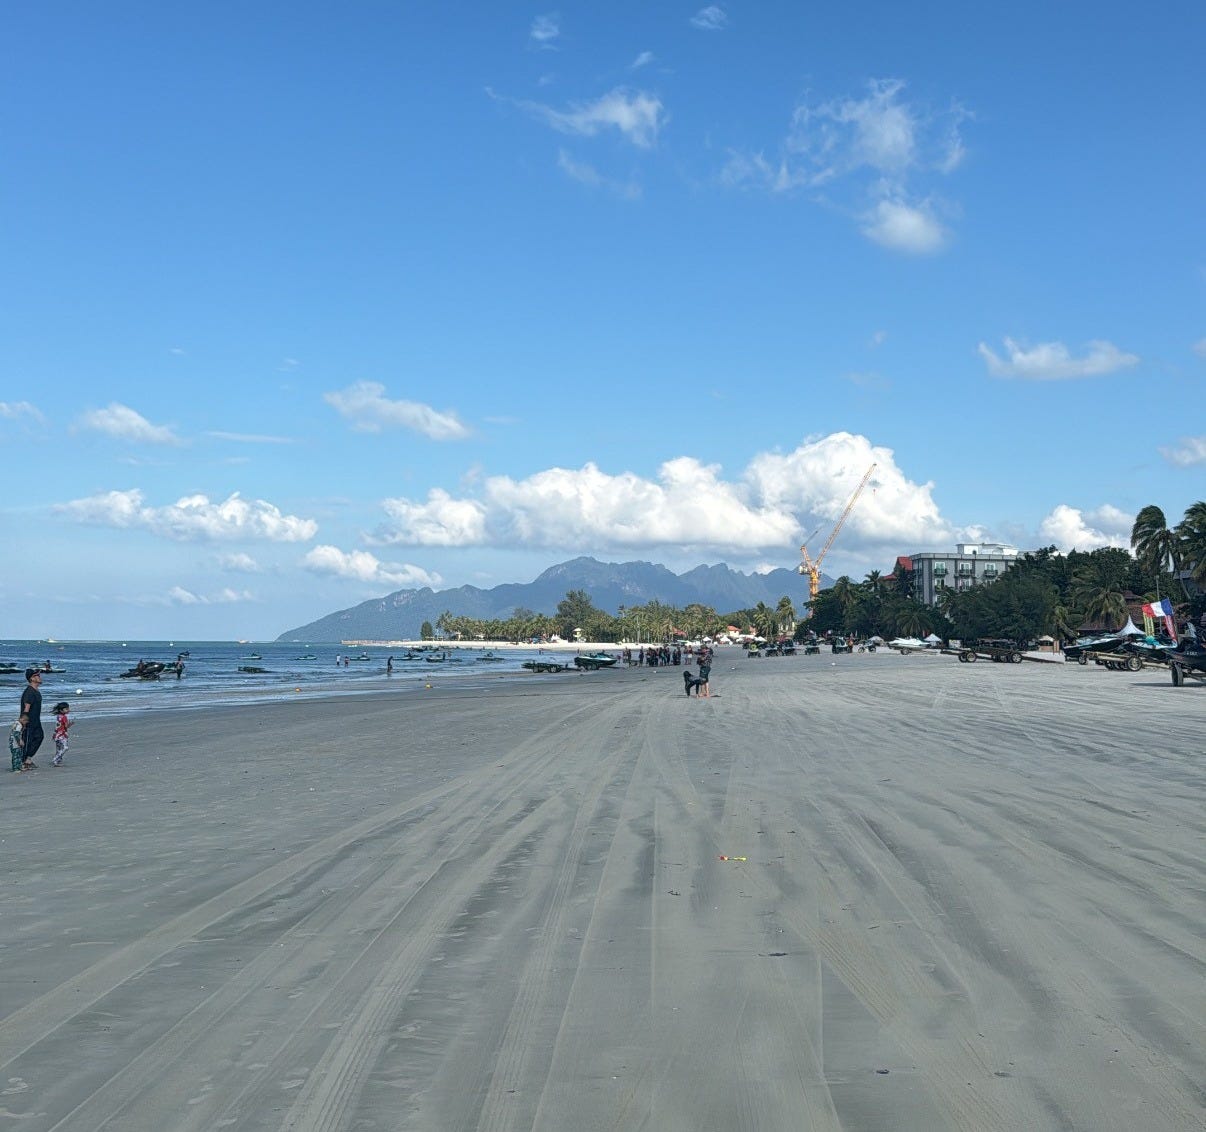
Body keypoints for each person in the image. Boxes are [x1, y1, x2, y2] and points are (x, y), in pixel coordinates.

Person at [19, 668, 44, 770]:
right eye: (37, 675)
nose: (39, 677)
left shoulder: (36, 691)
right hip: (28, 722)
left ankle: (27, 759)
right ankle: (23, 762)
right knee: (27, 741)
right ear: (32, 678)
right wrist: (23, 724)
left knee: (39, 737)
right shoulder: (29, 692)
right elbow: (26, 708)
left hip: (36, 720)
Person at [51, 700, 72, 766]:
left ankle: (57, 761)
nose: (68, 710)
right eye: (66, 709)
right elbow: (66, 726)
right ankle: (56, 759)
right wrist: (70, 724)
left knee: (58, 748)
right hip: (62, 734)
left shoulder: (59, 716)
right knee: (65, 748)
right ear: (61, 710)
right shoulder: (64, 717)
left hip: (56, 734)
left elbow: (59, 725)